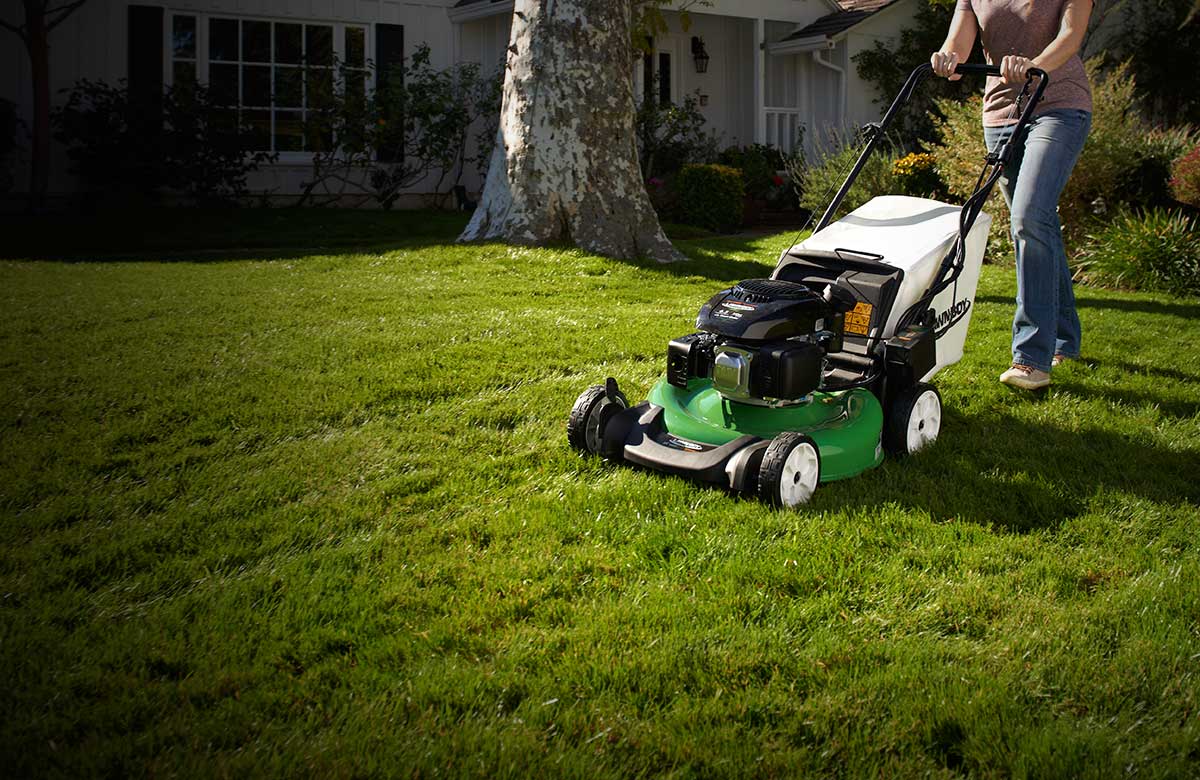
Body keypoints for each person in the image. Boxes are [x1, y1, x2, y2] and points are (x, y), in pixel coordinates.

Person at [931, 0, 1093, 390]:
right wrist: (946, 59)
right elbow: (959, 42)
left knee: (1028, 218)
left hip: (1059, 106)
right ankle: (1065, 339)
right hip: (1002, 114)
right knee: (1039, 226)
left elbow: (1070, 37)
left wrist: (1034, 63)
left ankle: (1030, 358)